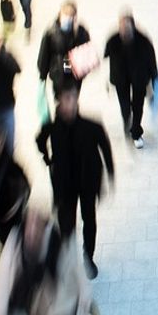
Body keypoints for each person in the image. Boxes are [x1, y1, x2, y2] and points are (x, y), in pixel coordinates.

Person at [36, 85, 115, 279]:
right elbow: (39, 140)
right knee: (66, 225)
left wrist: (110, 175)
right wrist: (48, 159)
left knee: (89, 220)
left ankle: (89, 256)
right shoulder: (52, 128)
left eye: (72, 99)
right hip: (64, 187)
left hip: (87, 184)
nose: (69, 104)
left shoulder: (91, 126)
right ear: (60, 103)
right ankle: (69, 258)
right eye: (65, 99)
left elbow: (105, 148)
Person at [104, 11, 158, 148]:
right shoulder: (113, 40)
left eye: (127, 29)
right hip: (120, 79)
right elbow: (106, 56)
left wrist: (154, 78)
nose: (124, 32)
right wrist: (109, 81)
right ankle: (126, 121)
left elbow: (151, 61)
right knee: (125, 107)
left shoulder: (143, 41)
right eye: (122, 28)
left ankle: (136, 132)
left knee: (138, 106)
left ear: (133, 27)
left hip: (139, 78)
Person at [37, 0, 91, 94]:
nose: (68, 18)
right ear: (60, 14)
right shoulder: (51, 32)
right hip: (58, 75)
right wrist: (42, 76)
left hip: (75, 76)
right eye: (66, 14)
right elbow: (44, 55)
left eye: (71, 15)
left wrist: (77, 34)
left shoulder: (81, 31)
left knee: (72, 102)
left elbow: (87, 52)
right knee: (60, 102)